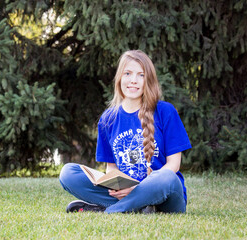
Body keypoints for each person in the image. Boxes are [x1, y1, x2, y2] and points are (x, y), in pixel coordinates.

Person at [59, 50, 192, 214]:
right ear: (119, 78)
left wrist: (140, 188)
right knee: (68, 173)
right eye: (127, 73)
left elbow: (173, 165)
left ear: (148, 80)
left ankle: (112, 211)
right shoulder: (108, 119)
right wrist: (119, 188)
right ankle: (136, 206)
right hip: (126, 193)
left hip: (165, 196)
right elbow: (111, 168)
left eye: (141, 75)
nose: (133, 80)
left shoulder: (165, 111)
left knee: (166, 177)